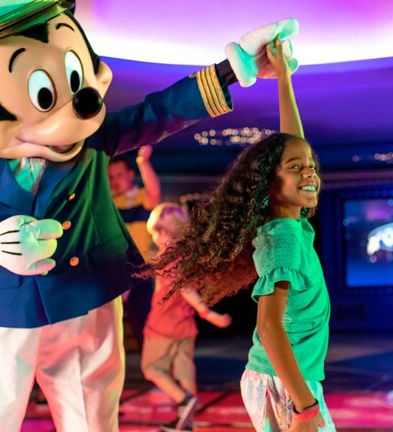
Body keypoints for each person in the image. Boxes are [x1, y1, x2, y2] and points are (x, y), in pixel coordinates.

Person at [147, 38, 334, 431]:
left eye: (311, 166)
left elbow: (290, 144)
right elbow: (268, 327)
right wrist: (305, 408)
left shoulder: (291, 225)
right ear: (269, 183)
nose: (310, 172)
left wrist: (283, 79)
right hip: (284, 385)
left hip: (288, 381)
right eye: (297, 168)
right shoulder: (282, 240)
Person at [141, 202, 232, 431]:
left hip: (163, 324)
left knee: (152, 368)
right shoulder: (185, 257)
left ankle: (184, 400)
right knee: (184, 370)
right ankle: (186, 421)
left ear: (162, 232)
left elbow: (184, 289)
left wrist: (206, 312)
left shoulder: (167, 258)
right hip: (184, 325)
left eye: (154, 233)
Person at [109, 146, 160, 353]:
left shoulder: (141, 197)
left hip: (140, 267)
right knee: (111, 320)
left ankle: (153, 370)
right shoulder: (109, 201)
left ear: (131, 174)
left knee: (143, 318)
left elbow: (154, 192)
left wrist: (143, 162)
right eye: (110, 176)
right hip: (114, 268)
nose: (115, 180)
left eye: (119, 174)